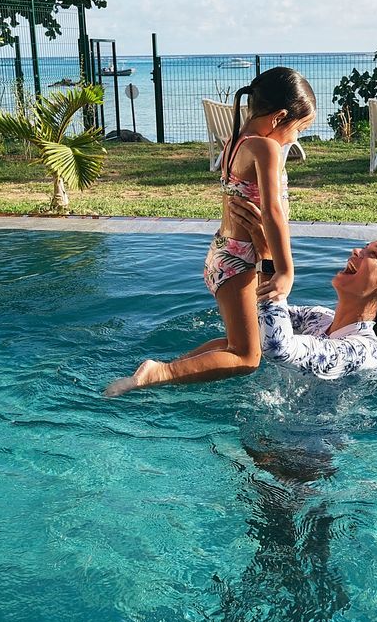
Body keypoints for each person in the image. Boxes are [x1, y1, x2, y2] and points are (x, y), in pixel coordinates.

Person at [105, 66, 315, 395]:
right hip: (239, 260)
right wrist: (286, 270)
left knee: (239, 344)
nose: (295, 138)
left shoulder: (235, 142)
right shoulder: (266, 148)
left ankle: (165, 373)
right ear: (279, 117)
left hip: (225, 254)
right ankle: (157, 374)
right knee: (248, 357)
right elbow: (273, 210)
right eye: (298, 128)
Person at [256, 237, 377, 379]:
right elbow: (255, 312)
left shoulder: (365, 352)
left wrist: (269, 255)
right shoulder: (318, 317)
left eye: (374, 254)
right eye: (365, 247)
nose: (356, 251)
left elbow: (278, 348)